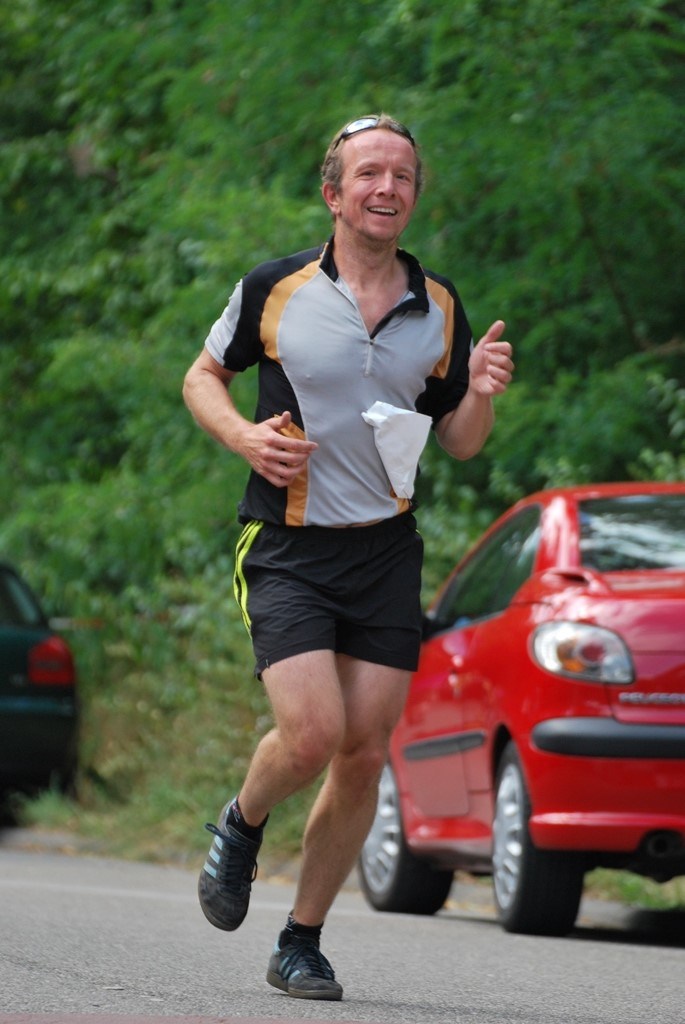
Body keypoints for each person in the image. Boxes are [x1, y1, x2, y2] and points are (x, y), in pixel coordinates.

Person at [182, 113, 514, 1001]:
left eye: (401, 175)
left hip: (384, 552)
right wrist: (244, 437)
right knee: (313, 733)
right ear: (334, 194)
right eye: (369, 173)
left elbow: (460, 441)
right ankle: (242, 821)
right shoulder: (275, 288)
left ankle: (301, 941)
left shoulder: (438, 306)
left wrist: (480, 392)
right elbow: (201, 377)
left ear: (414, 195)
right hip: (287, 547)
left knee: (363, 753)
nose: (386, 187)